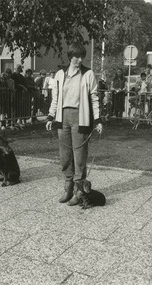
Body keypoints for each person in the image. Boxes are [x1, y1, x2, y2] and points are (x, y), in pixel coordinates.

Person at [45, 42, 102, 206]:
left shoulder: (88, 74)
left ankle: (79, 191)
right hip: (63, 118)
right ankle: (68, 188)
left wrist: (97, 120)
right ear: (70, 57)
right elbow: (55, 98)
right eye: (76, 56)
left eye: (82, 56)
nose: (79, 59)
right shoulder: (60, 74)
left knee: (79, 157)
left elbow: (94, 98)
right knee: (65, 157)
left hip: (80, 118)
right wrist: (50, 117)